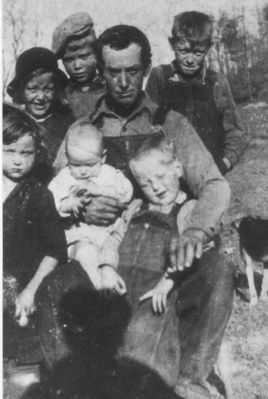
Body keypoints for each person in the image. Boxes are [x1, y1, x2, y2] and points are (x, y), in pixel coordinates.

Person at [49, 25, 233, 398]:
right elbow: (53, 194)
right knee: (59, 285)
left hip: (162, 249)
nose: (122, 82)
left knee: (217, 269)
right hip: (106, 253)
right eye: (113, 72)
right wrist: (81, 206)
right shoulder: (83, 130)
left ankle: (190, 380)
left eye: (132, 70)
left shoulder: (171, 122)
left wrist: (196, 231)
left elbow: (214, 185)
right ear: (102, 71)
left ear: (147, 68)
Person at [3, 105, 67, 395]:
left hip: (24, 291)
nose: (18, 161)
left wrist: (31, 289)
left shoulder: (40, 196)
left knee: (23, 367)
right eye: (9, 151)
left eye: (25, 153)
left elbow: (55, 250)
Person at [146, 11, 245, 175]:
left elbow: (235, 133)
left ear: (208, 48)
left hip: (209, 172)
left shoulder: (216, 82)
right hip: (168, 173)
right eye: (183, 51)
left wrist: (224, 164)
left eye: (198, 52)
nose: (190, 59)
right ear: (172, 45)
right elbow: (147, 126)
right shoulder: (160, 77)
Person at [49, 120, 135, 291]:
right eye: (76, 165)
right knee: (85, 253)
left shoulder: (109, 173)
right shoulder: (64, 177)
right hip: (79, 237)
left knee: (117, 255)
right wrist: (70, 203)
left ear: (102, 157)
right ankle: (100, 288)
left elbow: (126, 193)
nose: (82, 171)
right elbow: (53, 199)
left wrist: (101, 190)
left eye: (89, 164)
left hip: (108, 235)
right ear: (67, 158)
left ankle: (109, 280)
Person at [7, 47, 74, 177]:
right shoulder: (12, 124)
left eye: (48, 89)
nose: (41, 97)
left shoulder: (68, 125)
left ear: (57, 90)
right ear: (20, 90)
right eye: (32, 89)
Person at [52, 12, 105, 118]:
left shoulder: (112, 90)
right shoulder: (61, 97)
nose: (77, 66)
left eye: (84, 57)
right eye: (69, 59)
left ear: (96, 55)